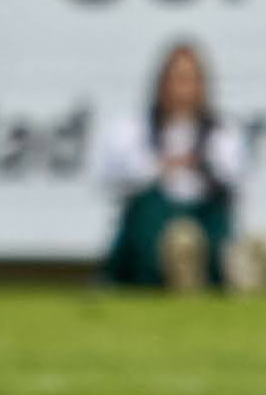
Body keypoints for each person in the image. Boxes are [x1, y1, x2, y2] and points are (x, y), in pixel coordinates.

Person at [95, 39, 254, 293]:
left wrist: (200, 165)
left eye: (189, 79)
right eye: (177, 78)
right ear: (161, 83)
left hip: (204, 217)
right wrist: (159, 167)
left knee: (207, 227)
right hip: (154, 222)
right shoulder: (134, 128)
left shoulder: (222, 132)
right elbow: (108, 180)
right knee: (156, 220)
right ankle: (178, 261)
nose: (182, 88)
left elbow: (235, 180)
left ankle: (225, 265)